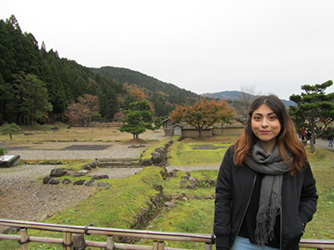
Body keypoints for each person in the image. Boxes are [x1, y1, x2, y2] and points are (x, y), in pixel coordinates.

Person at [214, 95, 318, 250]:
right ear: (250, 122)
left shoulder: (296, 157)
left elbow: (309, 196)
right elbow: (223, 197)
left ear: (282, 121)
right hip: (241, 242)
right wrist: (222, 239)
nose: (264, 124)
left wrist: (299, 221)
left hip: (283, 244)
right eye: (258, 118)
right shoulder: (236, 155)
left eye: (272, 118)